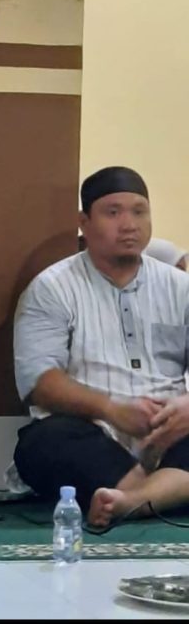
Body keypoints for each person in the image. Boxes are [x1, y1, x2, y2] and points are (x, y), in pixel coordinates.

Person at [12, 166, 189, 529]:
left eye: (139, 211)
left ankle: (132, 501)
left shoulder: (180, 287)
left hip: (171, 434)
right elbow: (40, 382)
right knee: (42, 443)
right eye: (113, 212)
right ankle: (167, 492)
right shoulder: (52, 288)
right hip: (95, 434)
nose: (129, 224)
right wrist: (112, 409)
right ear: (84, 222)